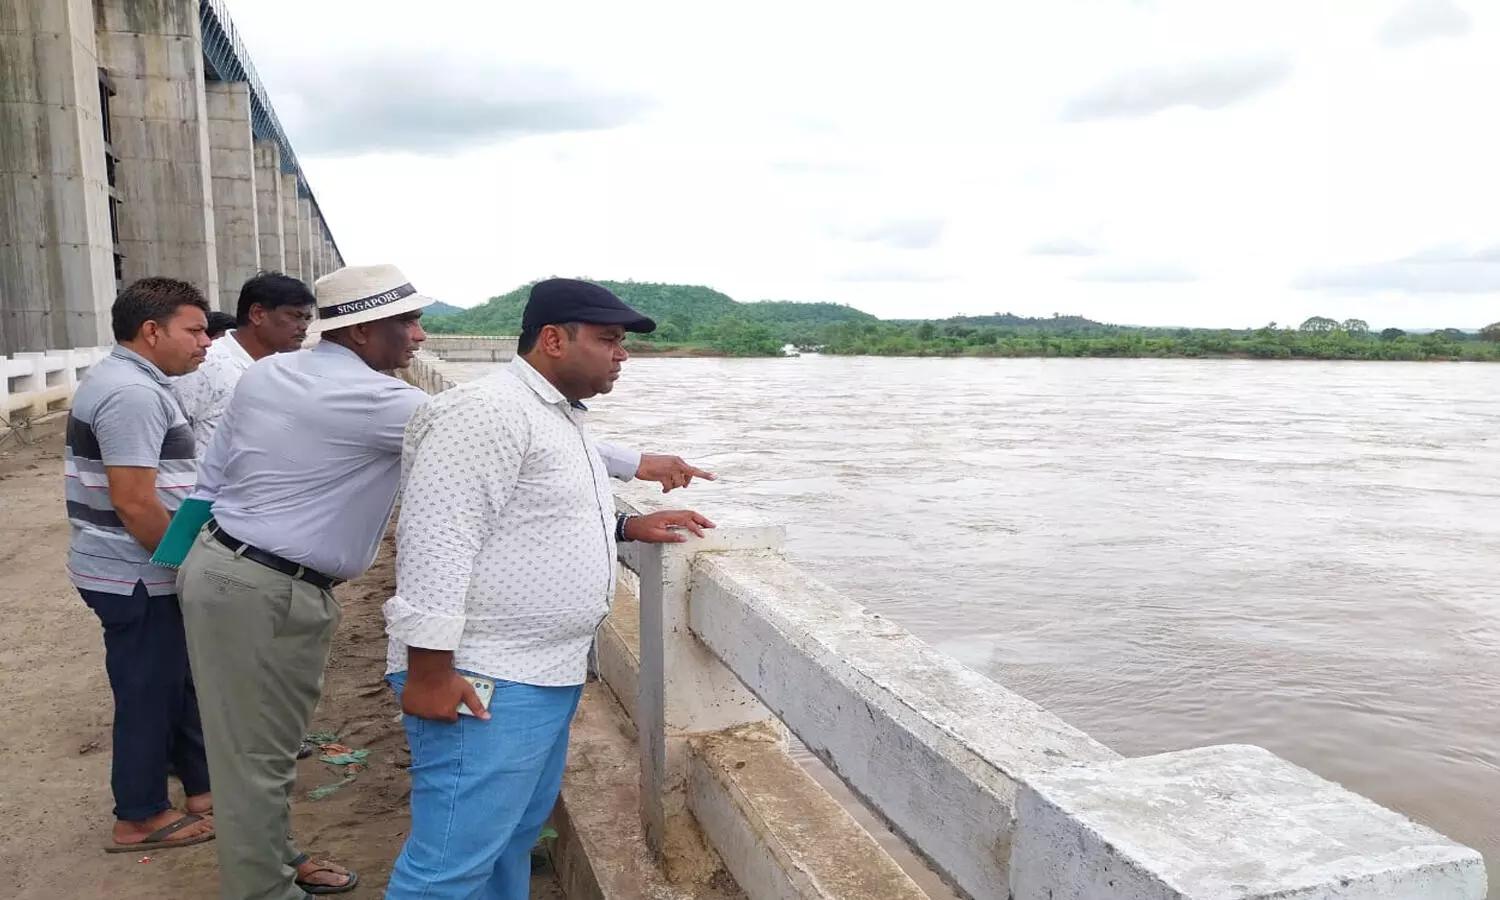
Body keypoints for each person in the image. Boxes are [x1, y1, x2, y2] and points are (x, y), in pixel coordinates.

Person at [176, 265, 710, 900]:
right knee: (262, 758)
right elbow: (444, 534)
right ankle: (261, 888)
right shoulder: (431, 407)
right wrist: (429, 669)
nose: (421, 336)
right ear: (361, 329)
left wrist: (172, 560)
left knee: (271, 749)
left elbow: (210, 480)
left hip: (227, 561)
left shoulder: (266, 374)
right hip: (288, 593)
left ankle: (276, 861)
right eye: (406, 322)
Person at [383, 278, 716, 899]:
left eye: (623, 343)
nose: (622, 354)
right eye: (609, 339)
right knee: (447, 868)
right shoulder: (482, 412)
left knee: (509, 840)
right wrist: (430, 672)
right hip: (484, 679)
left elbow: (535, 516)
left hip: (541, 674)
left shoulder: (555, 416)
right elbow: (437, 544)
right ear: (554, 339)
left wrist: (628, 526)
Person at [64, 277, 216, 853]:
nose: (206, 342)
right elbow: (133, 499)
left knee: (176, 682)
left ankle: (201, 788)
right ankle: (139, 816)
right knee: (148, 691)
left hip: (134, 569)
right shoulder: (133, 394)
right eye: (195, 330)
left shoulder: (131, 381)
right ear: (152, 331)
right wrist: (185, 566)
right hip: (135, 572)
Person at [172, 272, 316, 457]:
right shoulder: (207, 365)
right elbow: (169, 437)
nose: (304, 326)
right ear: (257, 314)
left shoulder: (285, 369)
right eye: (295, 316)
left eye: (307, 318)